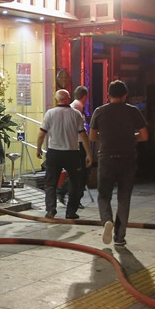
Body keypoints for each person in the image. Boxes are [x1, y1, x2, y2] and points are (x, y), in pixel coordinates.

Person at [89, 80, 148, 248]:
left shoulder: (99, 111)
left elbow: (92, 136)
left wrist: (106, 138)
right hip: (127, 159)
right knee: (124, 198)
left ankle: (107, 220)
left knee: (103, 195)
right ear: (125, 95)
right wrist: (131, 137)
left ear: (108, 95)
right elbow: (144, 136)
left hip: (107, 158)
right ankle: (120, 237)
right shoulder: (133, 111)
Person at [35, 89, 92, 219]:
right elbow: (83, 135)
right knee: (74, 182)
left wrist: (38, 148)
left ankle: (51, 210)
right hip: (72, 152)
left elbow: (41, 133)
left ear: (56, 99)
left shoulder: (50, 113)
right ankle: (71, 211)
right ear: (68, 98)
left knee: (51, 182)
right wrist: (89, 153)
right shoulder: (76, 114)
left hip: (54, 152)